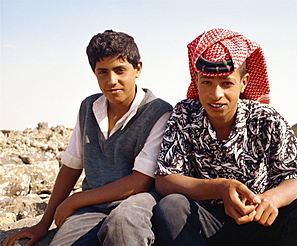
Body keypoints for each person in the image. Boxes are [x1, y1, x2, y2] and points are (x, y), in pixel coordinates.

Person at [153, 28, 297, 246]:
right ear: (197, 80)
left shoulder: (266, 119)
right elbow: (165, 180)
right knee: (171, 207)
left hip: (260, 221)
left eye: (226, 83)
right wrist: (219, 187)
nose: (216, 94)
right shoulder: (184, 114)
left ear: (244, 83)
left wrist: (271, 199)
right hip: (205, 223)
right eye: (207, 82)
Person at [4, 30, 172, 246]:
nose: (111, 80)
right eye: (103, 72)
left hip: (137, 202)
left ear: (137, 68)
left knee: (121, 226)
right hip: (94, 207)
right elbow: (71, 166)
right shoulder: (89, 108)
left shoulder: (158, 111)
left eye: (120, 70)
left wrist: (76, 200)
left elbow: (140, 181)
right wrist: (43, 223)